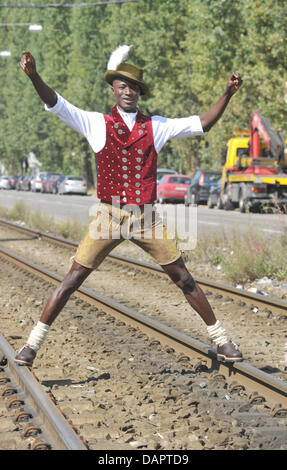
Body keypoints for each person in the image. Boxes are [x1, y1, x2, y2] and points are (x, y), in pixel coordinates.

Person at [15, 47, 243, 368]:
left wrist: (227, 93)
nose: (128, 92)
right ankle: (31, 345)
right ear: (113, 89)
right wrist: (34, 76)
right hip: (109, 215)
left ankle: (222, 340)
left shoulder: (157, 126)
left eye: (134, 87)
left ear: (140, 92)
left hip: (146, 216)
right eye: (123, 86)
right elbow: (56, 103)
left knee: (184, 278)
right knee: (71, 281)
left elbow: (202, 124)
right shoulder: (96, 123)